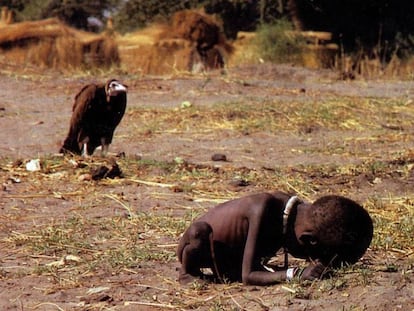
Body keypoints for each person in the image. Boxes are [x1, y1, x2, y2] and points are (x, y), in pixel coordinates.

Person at [177, 191, 373, 285]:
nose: (313, 261)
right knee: (198, 234)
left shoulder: (293, 213)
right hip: (201, 246)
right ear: (307, 240)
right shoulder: (262, 210)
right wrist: (294, 273)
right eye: (315, 256)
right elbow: (248, 276)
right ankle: (187, 274)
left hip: (230, 257)